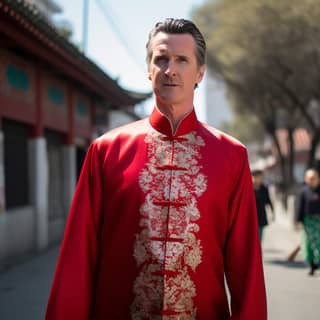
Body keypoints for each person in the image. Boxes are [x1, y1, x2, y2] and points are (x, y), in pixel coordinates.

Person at [46, 18, 267, 319]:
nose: (170, 69)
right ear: (149, 68)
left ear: (200, 72)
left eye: (181, 60)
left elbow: (246, 266)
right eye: (161, 59)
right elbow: (78, 260)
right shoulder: (106, 152)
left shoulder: (231, 156)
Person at [296, 168, 320, 275]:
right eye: (310, 178)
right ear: (306, 179)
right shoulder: (304, 191)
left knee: (318, 243)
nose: (312, 180)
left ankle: (317, 262)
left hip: (318, 221)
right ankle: (312, 265)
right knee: (308, 244)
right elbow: (300, 207)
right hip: (307, 221)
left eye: (314, 178)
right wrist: (298, 220)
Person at [251, 169, 274, 241]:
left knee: (258, 238)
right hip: (249, 217)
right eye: (256, 177)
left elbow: (268, 201)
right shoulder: (248, 187)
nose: (258, 179)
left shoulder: (264, 189)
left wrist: (272, 213)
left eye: (260, 177)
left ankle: (257, 252)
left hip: (261, 216)